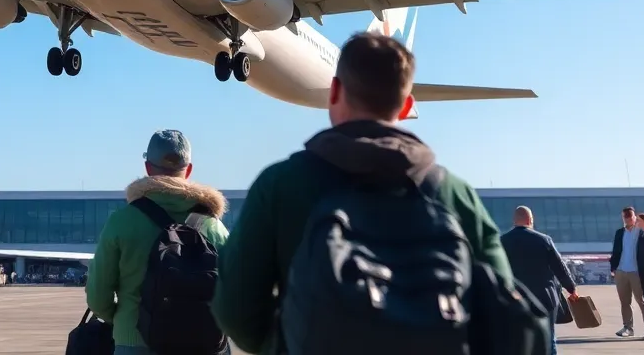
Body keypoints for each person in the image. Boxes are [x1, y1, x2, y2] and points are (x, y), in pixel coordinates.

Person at [211, 32, 514, 355]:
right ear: (407, 105)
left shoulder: (280, 185)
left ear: (334, 92)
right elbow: (507, 314)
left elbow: (235, 310)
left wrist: (290, 343)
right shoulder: (454, 194)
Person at [85, 128, 231, 354]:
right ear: (188, 169)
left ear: (147, 168)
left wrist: (125, 319)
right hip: (203, 342)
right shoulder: (214, 227)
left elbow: (98, 295)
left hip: (135, 342)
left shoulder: (122, 221)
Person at [500, 206, 578, 355]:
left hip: (515, 299)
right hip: (544, 298)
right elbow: (559, 267)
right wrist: (571, 289)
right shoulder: (544, 240)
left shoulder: (502, 241)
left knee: (518, 340)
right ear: (530, 220)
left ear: (514, 221)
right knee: (548, 339)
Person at [609, 205, 644, 337]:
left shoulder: (641, 232)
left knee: (641, 300)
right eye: (625, 216)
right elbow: (615, 250)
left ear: (634, 216)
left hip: (636, 272)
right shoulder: (620, 232)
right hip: (621, 271)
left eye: (630, 215)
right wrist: (613, 268)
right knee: (625, 301)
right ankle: (628, 327)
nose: (627, 218)